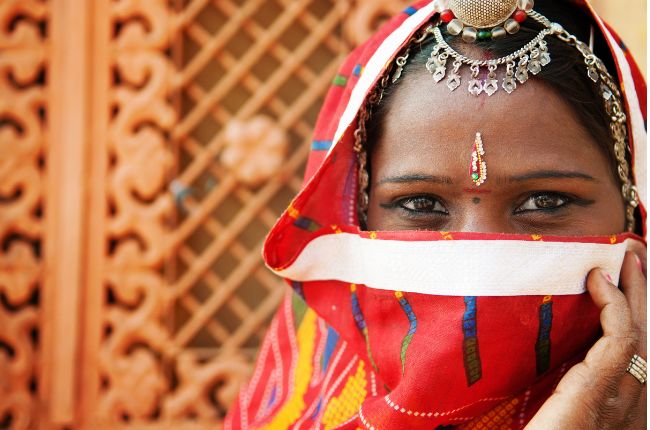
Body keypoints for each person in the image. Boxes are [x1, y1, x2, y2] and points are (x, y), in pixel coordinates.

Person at [225, 0, 647, 428]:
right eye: (421, 205)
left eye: (545, 202)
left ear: (635, 207)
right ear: (358, 217)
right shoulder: (297, 399)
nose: (479, 268)